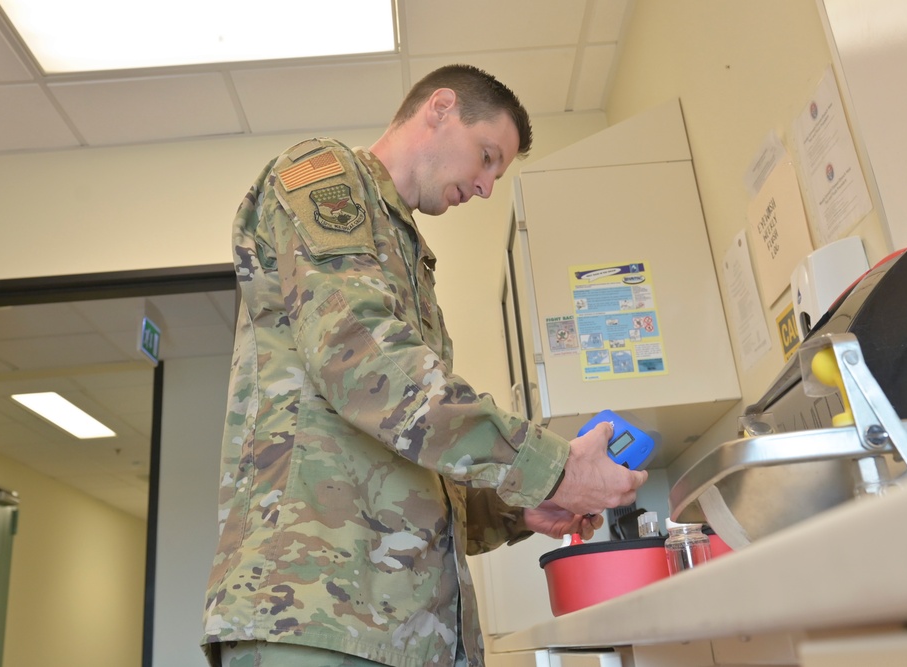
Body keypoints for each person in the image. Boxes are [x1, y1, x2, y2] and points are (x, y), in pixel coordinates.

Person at [202, 63, 648, 667]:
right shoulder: (328, 174)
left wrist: (522, 503)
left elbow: (413, 472)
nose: (488, 186)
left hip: (403, 629)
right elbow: (362, 361)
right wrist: (553, 468)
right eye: (487, 156)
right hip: (315, 615)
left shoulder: (409, 258)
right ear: (440, 108)